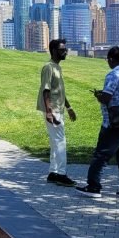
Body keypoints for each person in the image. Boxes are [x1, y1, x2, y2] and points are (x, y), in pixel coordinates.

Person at [77, 46, 119, 200]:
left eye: (108, 60)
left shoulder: (113, 74)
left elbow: (107, 98)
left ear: (111, 59)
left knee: (101, 155)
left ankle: (93, 187)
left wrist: (99, 95)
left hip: (113, 122)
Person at [37, 38, 77, 186]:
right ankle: (61, 173)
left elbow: (59, 90)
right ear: (54, 51)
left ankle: (53, 172)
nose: (65, 51)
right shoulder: (48, 67)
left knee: (55, 142)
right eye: (62, 50)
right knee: (60, 142)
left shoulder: (57, 67)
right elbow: (46, 90)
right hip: (53, 110)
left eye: (65, 49)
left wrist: (69, 107)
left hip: (58, 109)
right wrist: (49, 112)